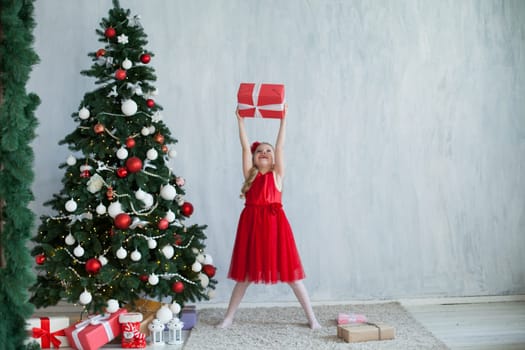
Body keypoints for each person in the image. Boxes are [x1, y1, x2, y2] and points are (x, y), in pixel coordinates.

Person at [218, 104, 321, 329]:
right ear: (254, 159)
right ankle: (228, 317)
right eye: (259, 151)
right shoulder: (250, 175)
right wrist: (240, 121)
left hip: (275, 226)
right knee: (244, 276)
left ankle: (312, 318)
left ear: (274, 159)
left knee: (292, 276)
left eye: (268, 151)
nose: (264, 152)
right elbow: (244, 148)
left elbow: (280, 146)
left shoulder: (277, 175)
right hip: (252, 224)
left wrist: (283, 120)